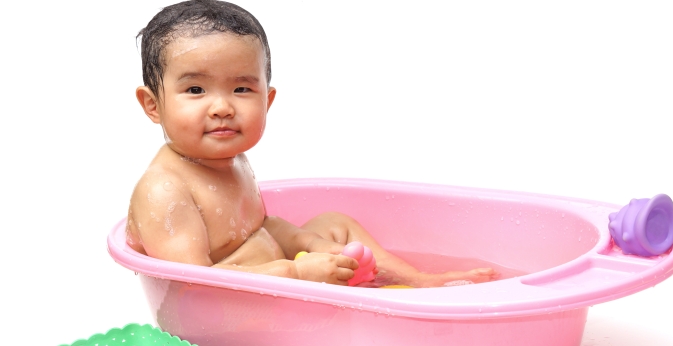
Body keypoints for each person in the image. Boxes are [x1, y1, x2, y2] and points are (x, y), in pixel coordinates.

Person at [127, 0, 499, 287]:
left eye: (242, 88)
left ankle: (419, 282)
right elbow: (193, 289)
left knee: (334, 225)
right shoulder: (164, 191)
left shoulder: (233, 161)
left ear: (267, 101)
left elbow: (263, 226)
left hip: (275, 275)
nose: (223, 107)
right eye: (195, 89)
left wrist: (313, 245)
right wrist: (298, 273)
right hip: (222, 314)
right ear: (153, 105)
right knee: (268, 251)